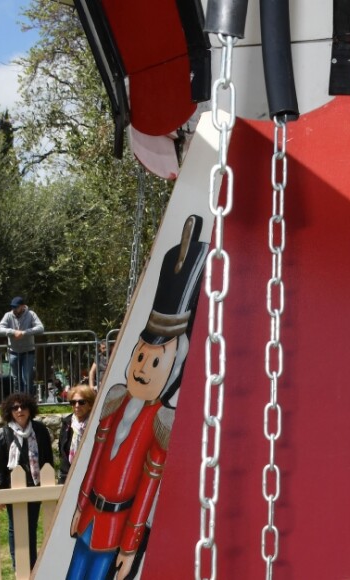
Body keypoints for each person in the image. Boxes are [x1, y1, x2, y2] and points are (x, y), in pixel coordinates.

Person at [66, 214, 207, 580]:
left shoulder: (160, 422)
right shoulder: (114, 403)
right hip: (90, 518)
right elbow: (96, 457)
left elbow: (147, 487)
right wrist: (80, 506)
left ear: (173, 371)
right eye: (140, 356)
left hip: (116, 526)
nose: (142, 367)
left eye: (155, 361)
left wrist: (131, 545)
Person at [0, 392, 54, 570]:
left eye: (23, 407)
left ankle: (32, 564)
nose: (20, 410)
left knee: (32, 526)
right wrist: (0, 490)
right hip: (13, 487)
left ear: (30, 409)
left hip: (34, 485)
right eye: (15, 407)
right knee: (14, 527)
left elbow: (48, 459)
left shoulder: (40, 430)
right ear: (9, 411)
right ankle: (17, 564)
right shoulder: (3, 434)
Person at [0, 297, 44, 395]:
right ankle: (19, 400)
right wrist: (13, 332)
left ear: (22, 306)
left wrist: (24, 333)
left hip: (28, 352)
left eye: (16, 307)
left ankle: (28, 401)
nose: (14, 309)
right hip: (13, 353)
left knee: (27, 378)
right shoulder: (8, 315)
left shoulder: (31, 314)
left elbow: (40, 328)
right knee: (16, 380)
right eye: (12, 307)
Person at [58, 386, 96, 484]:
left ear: (90, 405)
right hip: (68, 475)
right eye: (73, 402)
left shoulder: (96, 424)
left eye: (81, 402)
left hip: (91, 476)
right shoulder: (67, 423)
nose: (77, 405)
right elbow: (62, 449)